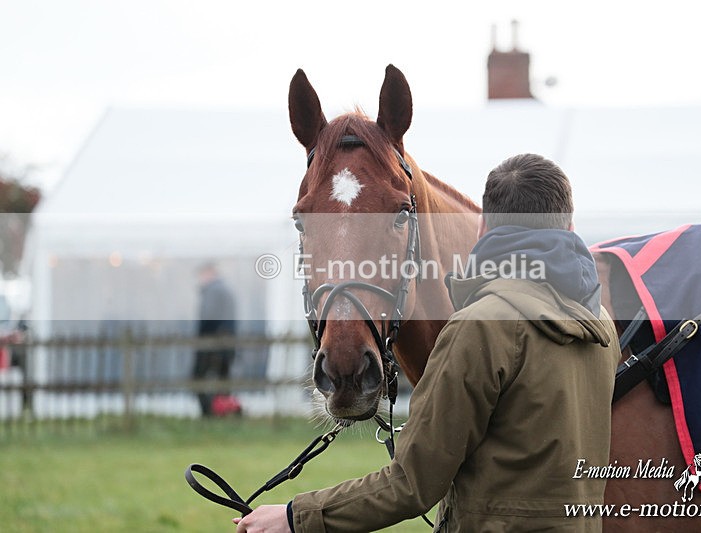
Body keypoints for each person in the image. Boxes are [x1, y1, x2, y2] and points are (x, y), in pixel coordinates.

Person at [234, 154, 621, 532]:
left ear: (483, 226)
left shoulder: (480, 326)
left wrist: (294, 517)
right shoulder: (601, 324)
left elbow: (411, 484)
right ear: (568, 226)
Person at [193, 262, 237, 417]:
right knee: (222, 381)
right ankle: (222, 413)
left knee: (199, 378)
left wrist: (201, 338)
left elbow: (209, 318)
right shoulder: (226, 290)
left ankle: (209, 413)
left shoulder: (213, 291)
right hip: (226, 342)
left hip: (213, 343)